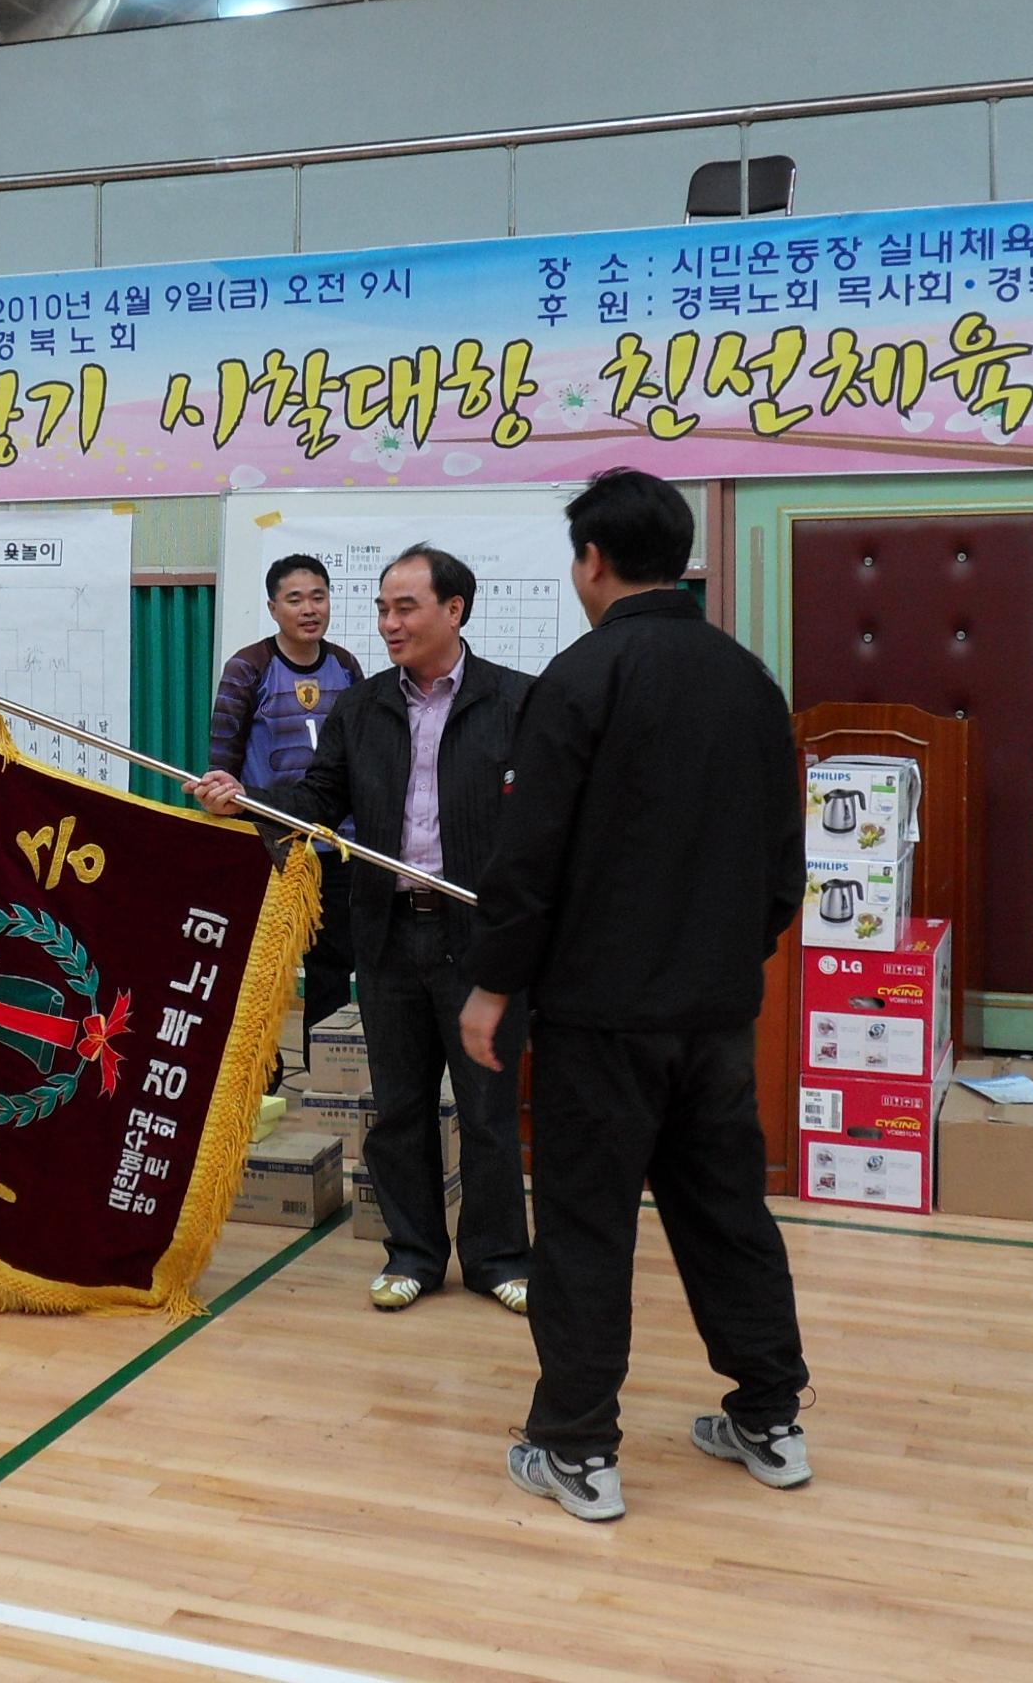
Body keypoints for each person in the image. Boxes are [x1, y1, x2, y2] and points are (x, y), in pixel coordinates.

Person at [457, 469, 810, 1525]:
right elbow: (783, 866)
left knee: (584, 1226)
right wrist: (724, 961)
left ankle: (576, 1447)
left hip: (601, 1018)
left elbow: (528, 860)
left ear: (593, 561)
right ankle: (771, 1419)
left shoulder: (579, 679)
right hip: (715, 1015)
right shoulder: (749, 679)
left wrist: (492, 987)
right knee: (727, 1213)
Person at [190, 545, 532, 1317]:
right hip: (387, 935)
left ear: (455, 609)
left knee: (485, 1108)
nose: (388, 624)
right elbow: (318, 797)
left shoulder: (515, 701)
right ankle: (413, 1253)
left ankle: (500, 1257)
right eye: (382, 608)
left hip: (479, 940)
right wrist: (246, 801)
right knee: (400, 1107)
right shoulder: (364, 705)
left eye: (405, 607)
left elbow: (545, 824)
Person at [208, 554, 367, 1033]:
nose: (309, 609)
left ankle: (324, 1067)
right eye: (295, 599)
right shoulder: (248, 668)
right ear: (273, 608)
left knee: (333, 966)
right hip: (269, 845)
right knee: (264, 968)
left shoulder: (345, 667)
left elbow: (362, 756)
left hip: (337, 846)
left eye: (318, 597)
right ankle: (262, 1069)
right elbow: (222, 763)